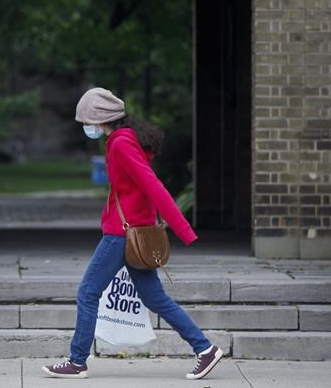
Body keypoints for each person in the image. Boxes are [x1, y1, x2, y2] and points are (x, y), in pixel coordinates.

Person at [42, 87, 223, 381]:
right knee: (156, 299)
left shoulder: (121, 144)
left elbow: (154, 186)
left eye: (87, 122)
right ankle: (205, 349)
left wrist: (184, 231)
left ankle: (77, 361)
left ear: (100, 120)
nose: (86, 128)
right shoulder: (121, 140)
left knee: (88, 292)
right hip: (133, 231)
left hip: (122, 234)